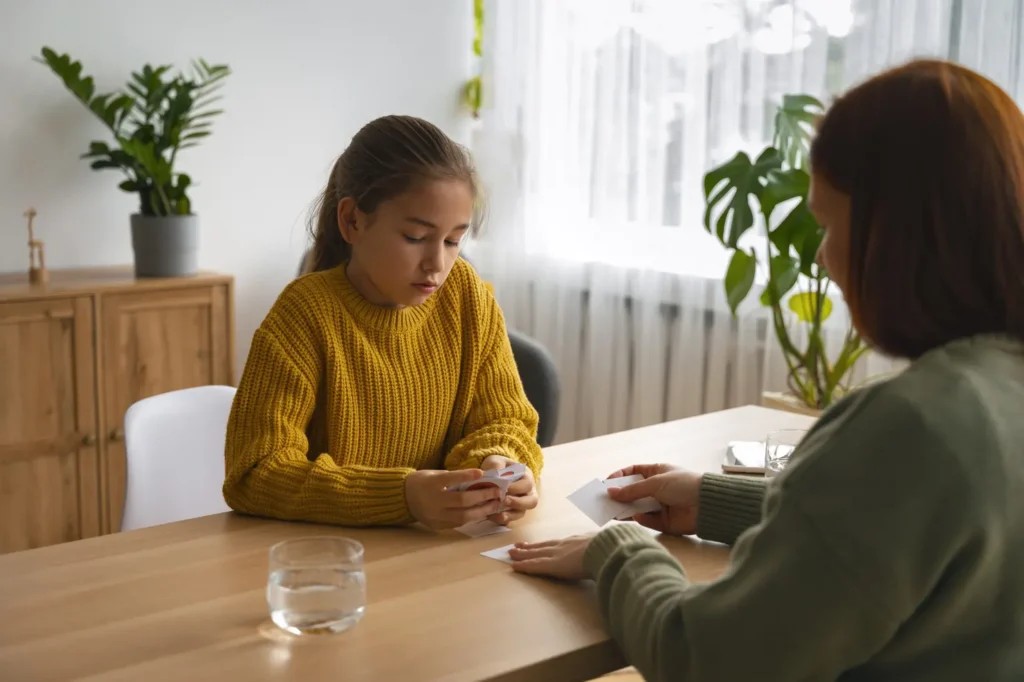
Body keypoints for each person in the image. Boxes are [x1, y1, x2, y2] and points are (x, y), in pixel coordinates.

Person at [509, 59, 1024, 681]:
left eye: (830, 222)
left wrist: (615, 550)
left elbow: (704, 658)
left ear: (896, 235)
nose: (826, 259)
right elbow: (903, 526)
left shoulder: (912, 423)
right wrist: (715, 498)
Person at [223, 115, 543, 530]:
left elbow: (507, 419)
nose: (438, 264)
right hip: (331, 566)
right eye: (414, 237)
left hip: (436, 559)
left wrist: (498, 462)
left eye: (453, 241)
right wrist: (403, 495)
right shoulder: (303, 315)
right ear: (353, 221)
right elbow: (255, 473)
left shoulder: (468, 296)